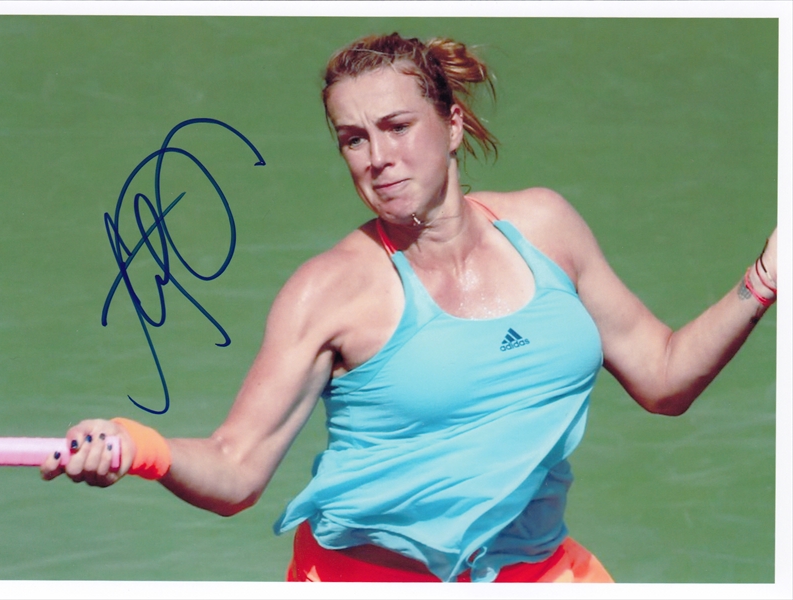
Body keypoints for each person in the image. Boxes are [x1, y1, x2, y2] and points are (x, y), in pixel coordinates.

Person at [40, 33, 778, 583]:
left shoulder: (547, 229)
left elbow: (663, 376)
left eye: (397, 127)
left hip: (540, 574)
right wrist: (137, 445)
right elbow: (235, 469)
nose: (377, 158)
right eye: (352, 139)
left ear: (451, 125)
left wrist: (766, 277)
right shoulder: (331, 290)